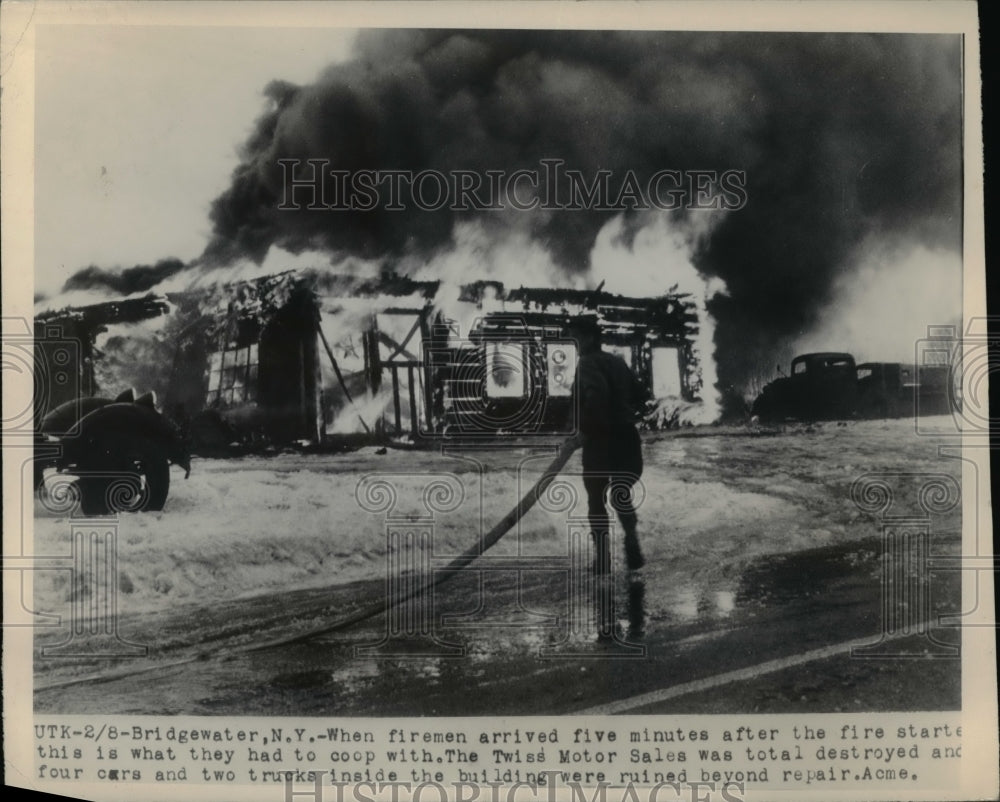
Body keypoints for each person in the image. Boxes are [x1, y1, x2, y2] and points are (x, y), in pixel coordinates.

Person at [566, 315, 645, 575]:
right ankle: (631, 541)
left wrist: (586, 429)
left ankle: (603, 559)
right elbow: (640, 394)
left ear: (589, 337)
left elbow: (595, 396)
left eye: (576, 335)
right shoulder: (617, 362)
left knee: (596, 499)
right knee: (621, 493)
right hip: (627, 437)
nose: (573, 341)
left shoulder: (587, 363)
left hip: (601, 440)